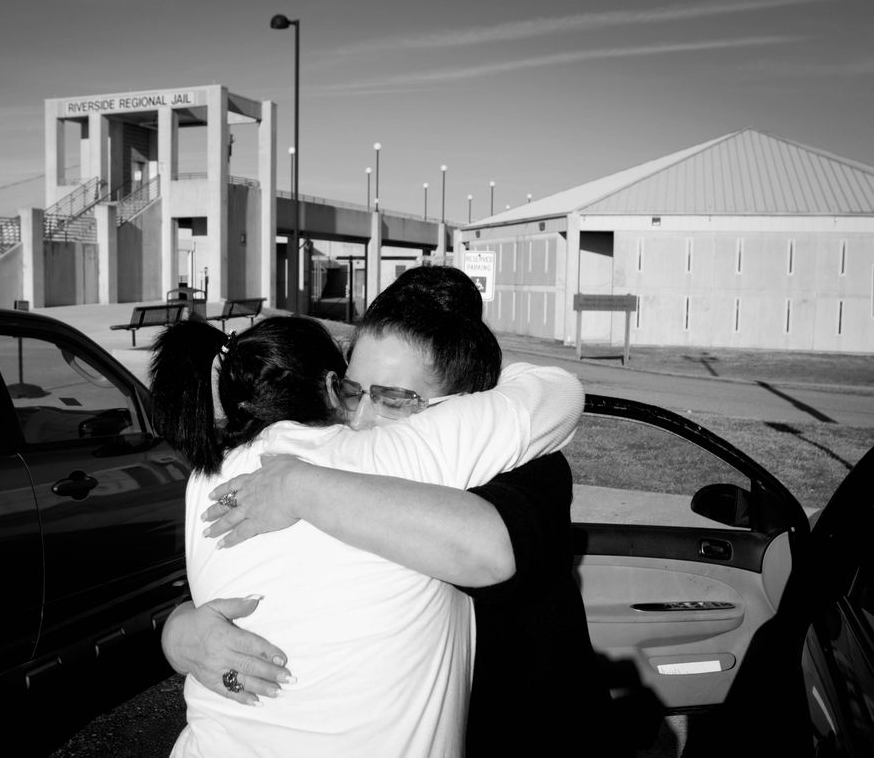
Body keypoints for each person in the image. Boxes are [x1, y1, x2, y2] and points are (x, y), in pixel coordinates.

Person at [165, 266, 617, 756]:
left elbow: (490, 547)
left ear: (465, 406)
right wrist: (180, 633)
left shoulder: (526, 466)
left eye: (393, 400)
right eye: (353, 391)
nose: (357, 420)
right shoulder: (347, 455)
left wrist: (298, 486)